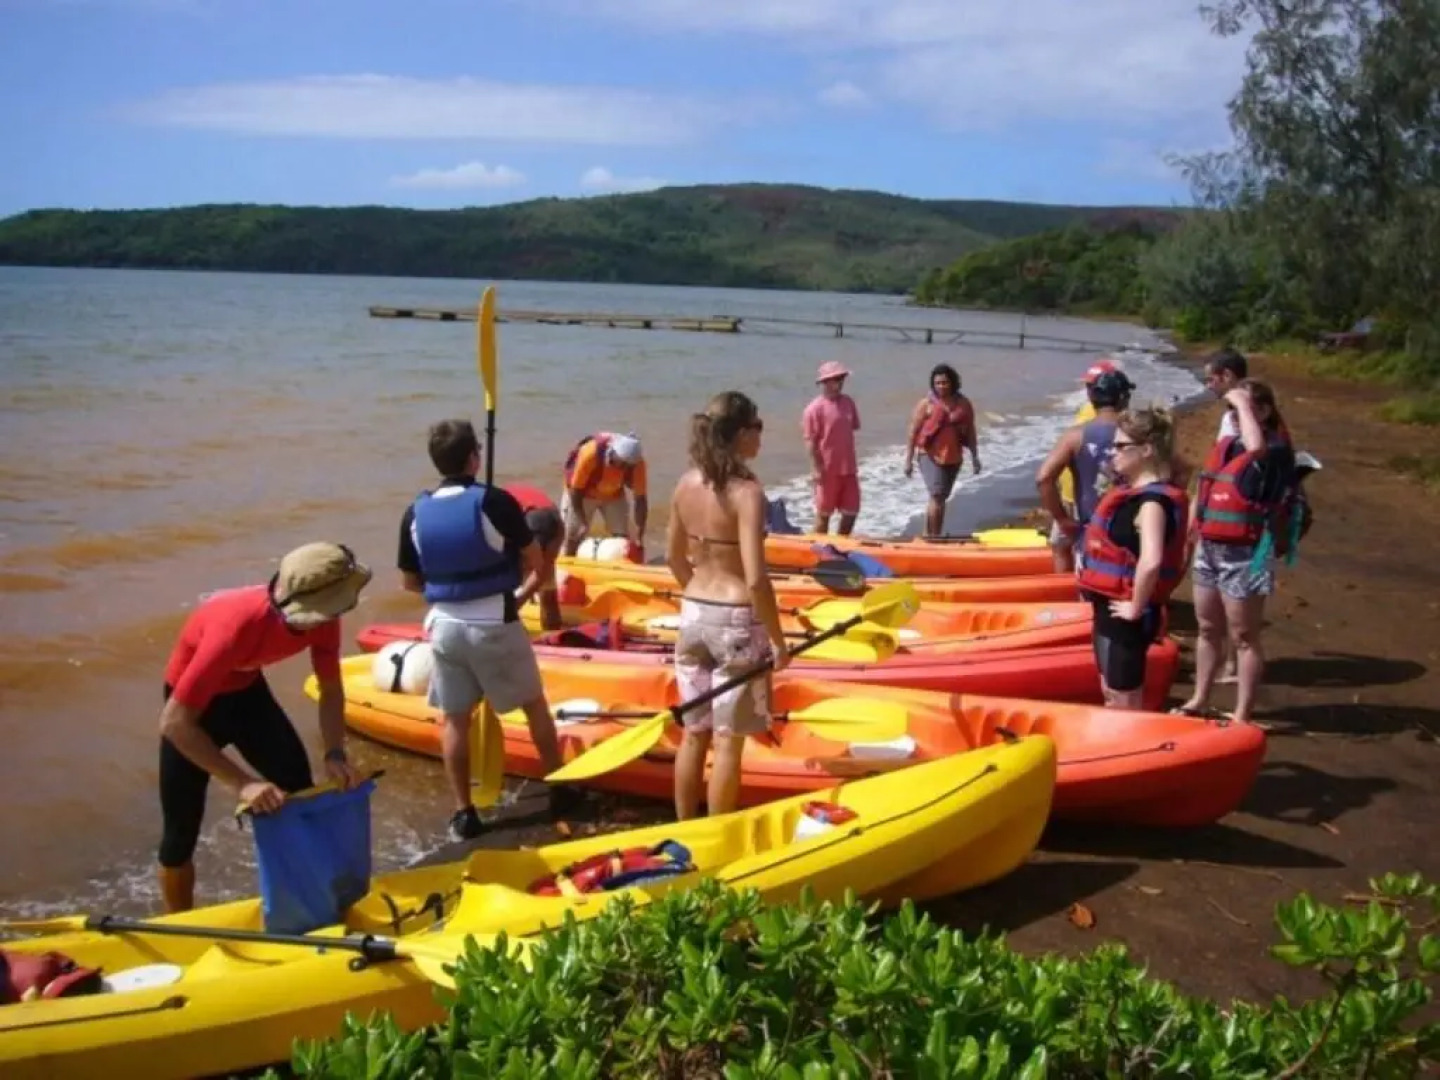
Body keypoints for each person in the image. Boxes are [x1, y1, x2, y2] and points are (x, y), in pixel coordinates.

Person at [157, 541, 372, 913]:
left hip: (248, 697)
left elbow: (331, 689)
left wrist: (335, 752)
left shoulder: (324, 619)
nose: (334, 615)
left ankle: (305, 896)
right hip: (194, 710)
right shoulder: (233, 629)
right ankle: (178, 925)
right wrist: (243, 783)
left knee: (299, 793)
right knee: (179, 835)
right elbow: (174, 723)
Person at [397, 420, 580, 841]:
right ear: (474, 457)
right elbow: (535, 560)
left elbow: (410, 582)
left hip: (442, 626)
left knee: (454, 719)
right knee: (534, 705)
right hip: (494, 624)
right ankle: (560, 787)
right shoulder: (494, 502)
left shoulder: (414, 512)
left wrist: (453, 590)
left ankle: (464, 814)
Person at [665, 391, 789, 820]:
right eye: (757, 428)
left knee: (693, 733)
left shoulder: (685, 483)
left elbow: (674, 558)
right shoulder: (747, 492)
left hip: (693, 611)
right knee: (728, 741)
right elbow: (756, 578)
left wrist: (698, 593)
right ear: (739, 434)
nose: (761, 437)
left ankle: (685, 829)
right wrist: (778, 639)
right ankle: (718, 838)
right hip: (736, 618)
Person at [1174, 380, 1296, 725]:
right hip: (1211, 547)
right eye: (1231, 410)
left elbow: (1256, 448)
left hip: (1246, 552)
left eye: (1243, 409)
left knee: (1243, 635)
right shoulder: (1228, 446)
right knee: (1207, 627)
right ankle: (1200, 698)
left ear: (1264, 412)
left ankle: (1242, 713)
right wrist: (1190, 530)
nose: (1235, 416)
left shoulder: (1272, 450)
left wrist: (1241, 404)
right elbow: (1206, 483)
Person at [1075, 407, 1190, 709]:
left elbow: (1151, 560)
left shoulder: (1153, 502)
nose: (1113, 452)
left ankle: (1130, 745)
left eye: (1121, 446)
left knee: (1124, 694)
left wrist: (1136, 607)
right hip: (1108, 608)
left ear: (1146, 450)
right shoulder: (1130, 493)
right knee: (1110, 689)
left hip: (1126, 615)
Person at [1037, 360, 1137, 573]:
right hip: (1133, 526)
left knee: (1092, 586)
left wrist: (1062, 519)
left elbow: (1044, 478)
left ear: (1092, 397)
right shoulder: (1140, 434)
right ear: (1123, 398)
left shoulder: (1075, 436)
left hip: (1092, 528)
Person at [1200, 347, 1250, 683]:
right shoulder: (1239, 411)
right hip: (1222, 510)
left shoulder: (1242, 413)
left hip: (1236, 518)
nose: (1208, 386)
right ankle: (1229, 665)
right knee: (1225, 605)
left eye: (1211, 378)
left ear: (1228, 376)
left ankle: (1233, 666)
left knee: (1234, 604)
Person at [904, 363, 981, 537]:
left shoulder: (963, 404)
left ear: (952, 382)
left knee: (939, 498)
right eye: (937, 383)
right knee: (937, 496)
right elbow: (913, 432)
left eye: (945, 382)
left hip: (953, 457)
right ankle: (935, 538)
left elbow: (970, 431)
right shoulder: (926, 404)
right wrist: (908, 460)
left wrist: (975, 457)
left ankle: (927, 534)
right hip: (929, 455)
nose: (941, 386)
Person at [560, 431, 648, 558]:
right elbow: (576, 492)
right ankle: (566, 567)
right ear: (612, 452)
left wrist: (640, 536)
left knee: (623, 540)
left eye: (626, 467)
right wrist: (583, 522)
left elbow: (640, 500)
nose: (622, 469)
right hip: (582, 494)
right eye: (619, 464)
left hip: (613, 494)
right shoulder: (590, 453)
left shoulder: (637, 464)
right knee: (573, 536)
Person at [802, 360, 863, 535]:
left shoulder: (848, 403)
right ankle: (817, 551)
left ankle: (840, 547)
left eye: (841, 378)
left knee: (851, 511)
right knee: (823, 515)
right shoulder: (814, 409)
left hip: (849, 468)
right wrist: (816, 468)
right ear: (825, 382)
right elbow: (810, 441)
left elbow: (851, 430)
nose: (840, 383)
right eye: (836, 379)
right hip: (827, 470)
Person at [506, 482, 565, 632]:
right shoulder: (508, 518)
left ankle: (554, 633)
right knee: (504, 585)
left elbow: (543, 570)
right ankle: (511, 631)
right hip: (513, 518)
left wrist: (521, 599)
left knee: (549, 592)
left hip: (539, 516)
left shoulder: (558, 529)